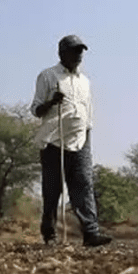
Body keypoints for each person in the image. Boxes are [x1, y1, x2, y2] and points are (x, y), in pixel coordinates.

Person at [30, 34, 112, 247]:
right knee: (52, 189)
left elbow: (88, 110)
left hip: (81, 138)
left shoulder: (85, 81)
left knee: (84, 185)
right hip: (53, 140)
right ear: (61, 53)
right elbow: (36, 110)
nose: (78, 56)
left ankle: (91, 233)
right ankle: (50, 234)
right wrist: (51, 102)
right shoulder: (48, 76)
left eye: (80, 51)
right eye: (74, 51)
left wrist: (88, 132)